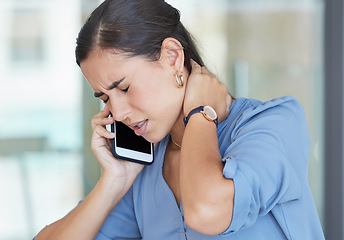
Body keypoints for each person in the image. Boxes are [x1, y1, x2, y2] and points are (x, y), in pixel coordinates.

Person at [34, 0, 325, 239]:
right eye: (105, 98)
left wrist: (199, 113)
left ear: (172, 56)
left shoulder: (273, 123)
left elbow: (207, 211)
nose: (118, 112)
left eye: (123, 87)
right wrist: (115, 180)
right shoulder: (143, 168)